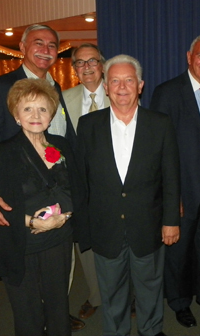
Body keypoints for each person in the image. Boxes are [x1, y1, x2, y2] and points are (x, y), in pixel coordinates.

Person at [0, 23, 84, 332]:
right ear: (22, 46)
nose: (46, 49)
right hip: (18, 211)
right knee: (27, 309)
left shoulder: (56, 87)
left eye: (52, 44)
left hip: (58, 216)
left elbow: (67, 147)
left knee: (57, 297)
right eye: (38, 42)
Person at [76, 54, 180, 336]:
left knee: (150, 289)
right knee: (112, 295)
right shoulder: (87, 126)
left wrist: (171, 220)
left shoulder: (160, 123)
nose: (122, 87)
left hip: (148, 226)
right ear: (106, 87)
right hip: (105, 228)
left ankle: (151, 330)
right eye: (115, 81)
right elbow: (81, 182)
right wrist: (84, 229)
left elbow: (171, 177)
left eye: (129, 80)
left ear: (141, 85)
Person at [150, 34, 200, 328]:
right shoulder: (167, 92)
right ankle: (180, 301)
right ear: (189, 56)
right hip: (184, 189)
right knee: (179, 252)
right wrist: (172, 197)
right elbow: (159, 150)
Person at [63, 43, 109, 320]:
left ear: (102, 65)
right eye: (80, 63)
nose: (87, 67)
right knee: (87, 246)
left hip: (117, 186)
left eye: (92, 61)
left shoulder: (122, 92)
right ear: (74, 69)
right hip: (80, 187)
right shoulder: (63, 100)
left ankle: (126, 295)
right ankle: (96, 295)